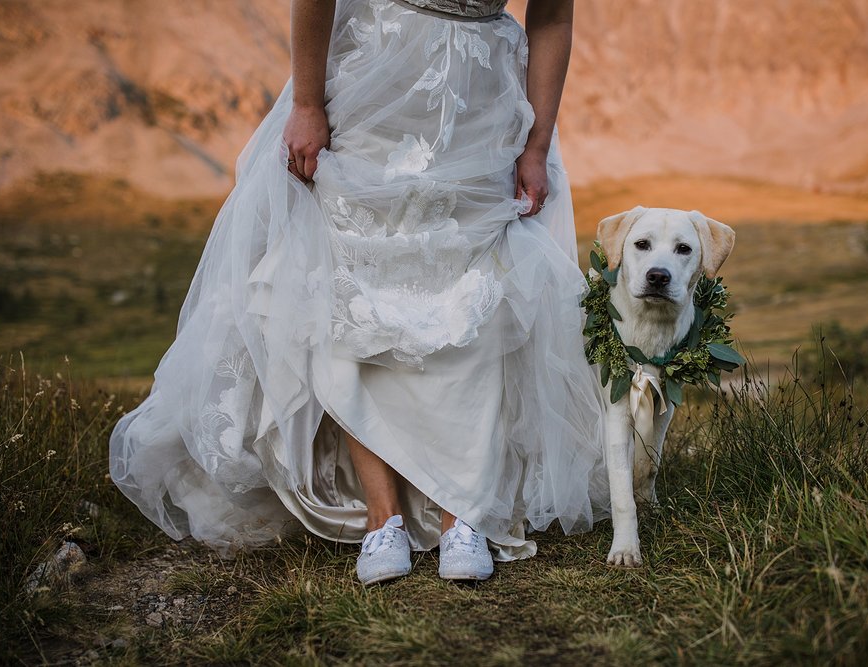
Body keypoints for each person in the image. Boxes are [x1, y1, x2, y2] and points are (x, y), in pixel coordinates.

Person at [109, 0, 608, 586]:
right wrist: (306, 102)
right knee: (357, 285)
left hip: (481, 92)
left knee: (475, 292)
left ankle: (463, 515)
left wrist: (536, 144)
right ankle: (381, 517)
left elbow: (552, 16)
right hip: (375, 69)